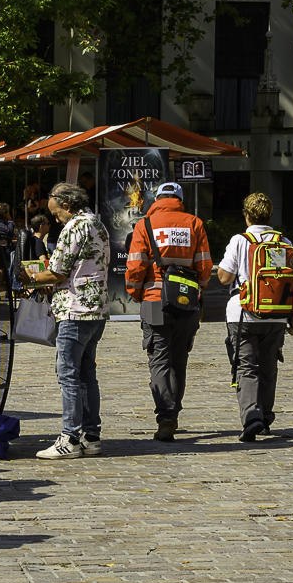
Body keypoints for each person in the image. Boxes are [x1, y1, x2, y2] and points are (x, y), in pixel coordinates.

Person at [123, 180, 213, 442]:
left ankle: (165, 417)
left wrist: (136, 292)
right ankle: (172, 412)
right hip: (187, 301)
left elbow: (136, 265)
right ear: (180, 199)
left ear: (156, 199)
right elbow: (205, 266)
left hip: (154, 298)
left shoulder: (144, 225)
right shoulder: (195, 223)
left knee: (159, 360)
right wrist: (198, 293)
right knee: (179, 361)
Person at [30, 181, 110, 460]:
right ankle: (91, 435)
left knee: (68, 374)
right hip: (95, 308)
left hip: (75, 309)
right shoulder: (98, 224)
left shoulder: (75, 226)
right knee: (87, 373)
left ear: (66, 205)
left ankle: (70, 437)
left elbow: (58, 272)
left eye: (55, 214)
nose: (55, 219)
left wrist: (30, 277)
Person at [211, 192, 293, 443]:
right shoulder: (284, 242)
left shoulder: (240, 240)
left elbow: (225, 277)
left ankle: (252, 417)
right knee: (269, 368)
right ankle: (266, 416)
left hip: (243, 313)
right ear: (270, 215)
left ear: (247, 216)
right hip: (277, 315)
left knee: (245, 366)